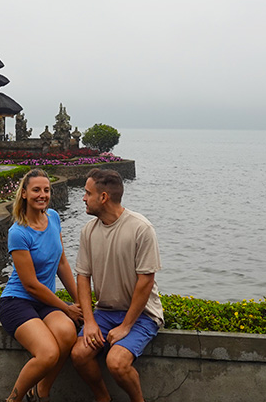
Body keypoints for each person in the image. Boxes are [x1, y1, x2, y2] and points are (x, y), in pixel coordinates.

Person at [71, 168, 163, 402]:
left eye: (87, 193)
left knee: (117, 363)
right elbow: (83, 276)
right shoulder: (88, 231)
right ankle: (104, 399)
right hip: (105, 313)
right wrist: (90, 321)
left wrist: (126, 326)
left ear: (103, 197)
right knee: (80, 354)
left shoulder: (141, 228)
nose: (83, 198)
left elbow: (146, 281)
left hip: (142, 315)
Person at [0, 168, 82, 402]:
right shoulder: (18, 232)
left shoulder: (53, 218)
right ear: (24, 193)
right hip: (18, 302)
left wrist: (79, 303)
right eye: (36, 190)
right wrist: (66, 308)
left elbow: (63, 263)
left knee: (67, 334)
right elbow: (31, 285)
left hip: (45, 303)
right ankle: (13, 399)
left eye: (46, 190)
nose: (42, 194)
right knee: (47, 354)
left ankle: (41, 391)